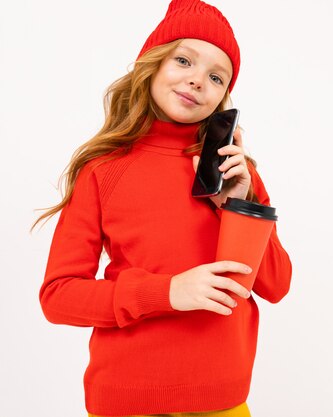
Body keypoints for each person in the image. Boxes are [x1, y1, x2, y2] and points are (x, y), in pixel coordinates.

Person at [31, 1, 292, 416]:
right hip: (126, 398)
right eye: (183, 60)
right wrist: (168, 292)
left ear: (224, 95)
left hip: (221, 400)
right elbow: (58, 297)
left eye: (215, 76)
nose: (196, 81)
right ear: (151, 64)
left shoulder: (234, 170)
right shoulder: (104, 171)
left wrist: (241, 204)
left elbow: (275, 286)